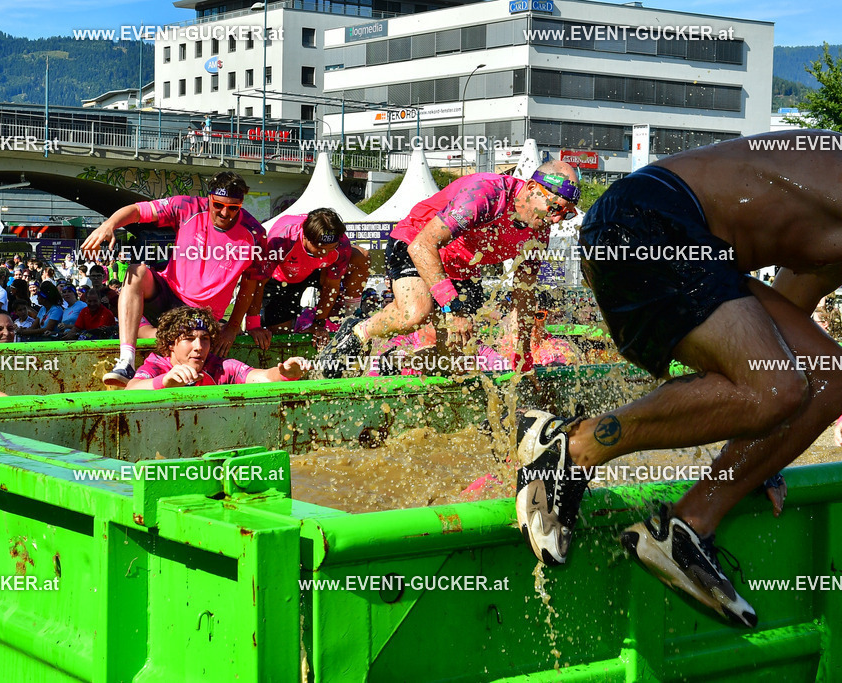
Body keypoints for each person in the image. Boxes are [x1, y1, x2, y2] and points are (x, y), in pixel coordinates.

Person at [513, 130, 842, 629]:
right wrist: (773, 405)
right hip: (646, 222)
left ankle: (683, 530)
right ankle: (570, 447)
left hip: (694, 250)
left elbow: (786, 331)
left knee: (826, 379)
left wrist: (765, 452)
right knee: (775, 389)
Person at [319, 162, 580, 377]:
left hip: (459, 268)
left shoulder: (539, 232)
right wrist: (452, 308)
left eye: (566, 214)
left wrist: (524, 363)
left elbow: (523, 296)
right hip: (415, 241)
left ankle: (395, 362)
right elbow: (422, 247)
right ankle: (355, 332)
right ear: (532, 188)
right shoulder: (486, 195)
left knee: (456, 363)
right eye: (555, 207)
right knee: (415, 314)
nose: (556, 219)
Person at [81, 171, 269, 386]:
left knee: (152, 335)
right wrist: (109, 224)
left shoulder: (255, 233)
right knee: (137, 271)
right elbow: (136, 210)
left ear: (241, 204)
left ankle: (160, 364)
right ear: (209, 199)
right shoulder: (188, 207)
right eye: (218, 205)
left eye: (233, 208)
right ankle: (126, 361)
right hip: (168, 295)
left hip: (202, 315)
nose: (225, 213)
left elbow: (251, 283)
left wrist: (236, 326)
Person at [246, 208, 367, 349]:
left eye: (331, 248)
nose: (326, 253)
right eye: (321, 248)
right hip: (283, 277)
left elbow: (331, 286)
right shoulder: (282, 240)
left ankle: (351, 318)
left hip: (318, 271)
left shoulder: (341, 245)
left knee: (361, 256)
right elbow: (258, 282)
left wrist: (319, 324)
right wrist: (253, 324)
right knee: (280, 338)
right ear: (305, 237)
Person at [125, 307, 308, 390]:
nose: (199, 347)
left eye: (205, 339)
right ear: (171, 344)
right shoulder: (157, 367)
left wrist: (285, 374)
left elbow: (261, 377)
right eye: (189, 339)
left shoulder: (220, 367)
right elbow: (131, 389)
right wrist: (165, 382)